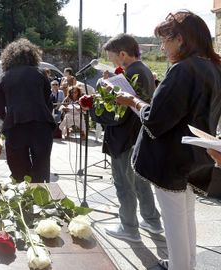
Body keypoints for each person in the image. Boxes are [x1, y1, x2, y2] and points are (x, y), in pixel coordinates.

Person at [116, 11, 221, 270]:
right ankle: (186, 263)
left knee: (175, 221)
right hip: (197, 155)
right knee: (185, 217)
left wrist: (132, 101)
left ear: (181, 39)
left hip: (172, 158)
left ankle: (179, 266)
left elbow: (155, 119)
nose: (162, 47)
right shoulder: (213, 67)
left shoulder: (183, 69)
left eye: (165, 40)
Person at [87, 33, 162, 243]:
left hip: (125, 136)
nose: (110, 61)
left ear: (122, 54)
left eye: (111, 57)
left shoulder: (134, 72)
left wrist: (101, 98)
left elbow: (122, 110)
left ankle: (129, 227)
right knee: (139, 182)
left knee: (123, 183)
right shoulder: (143, 70)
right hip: (137, 135)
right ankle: (152, 221)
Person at [0, 38, 55, 183]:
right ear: (33, 56)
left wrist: (10, 117)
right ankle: (40, 200)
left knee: (19, 172)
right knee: (41, 171)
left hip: (15, 127)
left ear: (8, 58)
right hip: (42, 126)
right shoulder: (40, 74)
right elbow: (49, 103)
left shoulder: (4, 77)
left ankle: (24, 201)